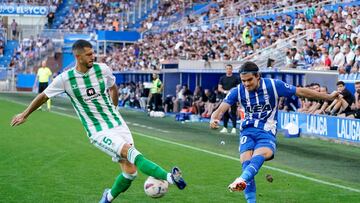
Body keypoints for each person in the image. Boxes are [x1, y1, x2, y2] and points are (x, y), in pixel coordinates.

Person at [11, 40, 186, 203]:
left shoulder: (102, 69)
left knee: (130, 172)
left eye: (93, 54)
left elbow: (113, 88)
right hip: (98, 130)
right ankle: (170, 177)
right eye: (88, 54)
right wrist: (25, 114)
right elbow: (43, 96)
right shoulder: (65, 79)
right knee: (130, 152)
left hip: (117, 124)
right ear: (78, 57)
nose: (92, 57)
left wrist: (114, 109)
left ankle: (107, 198)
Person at [210, 61, 338, 203]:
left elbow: (301, 91)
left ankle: (241, 179)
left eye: (249, 80)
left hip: (266, 131)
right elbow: (221, 109)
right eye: (243, 81)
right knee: (247, 166)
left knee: (262, 155)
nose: (246, 84)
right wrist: (213, 118)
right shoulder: (238, 91)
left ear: (258, 76)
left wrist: (328, 97)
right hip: (247, 131)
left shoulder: (273, 85)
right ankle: (248, 194)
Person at [218, 64, 240, 134]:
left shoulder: (236, 78)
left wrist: (232, 92)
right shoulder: (222, 78)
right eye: (227, 69)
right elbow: (219, 88)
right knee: (225, 112)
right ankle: (225, 127)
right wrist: (225, 91)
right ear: (225, 69)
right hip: (225, 97)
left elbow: (238, 88)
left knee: (233, 112)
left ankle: (234, 128)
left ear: (232, 69)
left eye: (230, 68)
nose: (228, 70)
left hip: (233, 97)